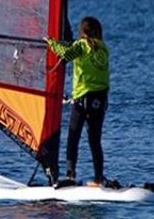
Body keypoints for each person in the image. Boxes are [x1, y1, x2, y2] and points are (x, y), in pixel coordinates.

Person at [47, 16, 110, 186]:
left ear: (82, 32)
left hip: (83, 98)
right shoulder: (103, 48)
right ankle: (98, 178)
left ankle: (70, 175)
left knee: (73, 137)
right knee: (94, 140)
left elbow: (65, 55)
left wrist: (51, 42)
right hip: (100, 99)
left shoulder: (80, 46)